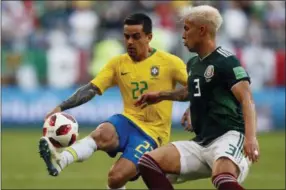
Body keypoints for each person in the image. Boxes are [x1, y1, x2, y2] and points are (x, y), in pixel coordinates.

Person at [38, 13, 188, 189]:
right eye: (126, 36)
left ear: (149, 37)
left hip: (153, 134)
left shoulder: (170, 62)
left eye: (136, 36)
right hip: (128, 120)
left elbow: (194, 88)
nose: (130, 41)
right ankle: (60, 160)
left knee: (115, 178)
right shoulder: (118, 63)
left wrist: (189, 107)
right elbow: (91, 88)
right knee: (102, 133)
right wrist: (61, 106)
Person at [135, 5, 260, 190]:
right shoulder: (193, 63)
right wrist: (161, 95)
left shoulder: (226, 61)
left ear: (202, 30)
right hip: (202, 142)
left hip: (229, 135)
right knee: (148, 162)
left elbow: (247, 99)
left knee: (222, 177)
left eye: (187, 28)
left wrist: (251, 138)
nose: (183, 34)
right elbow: (191, 91)